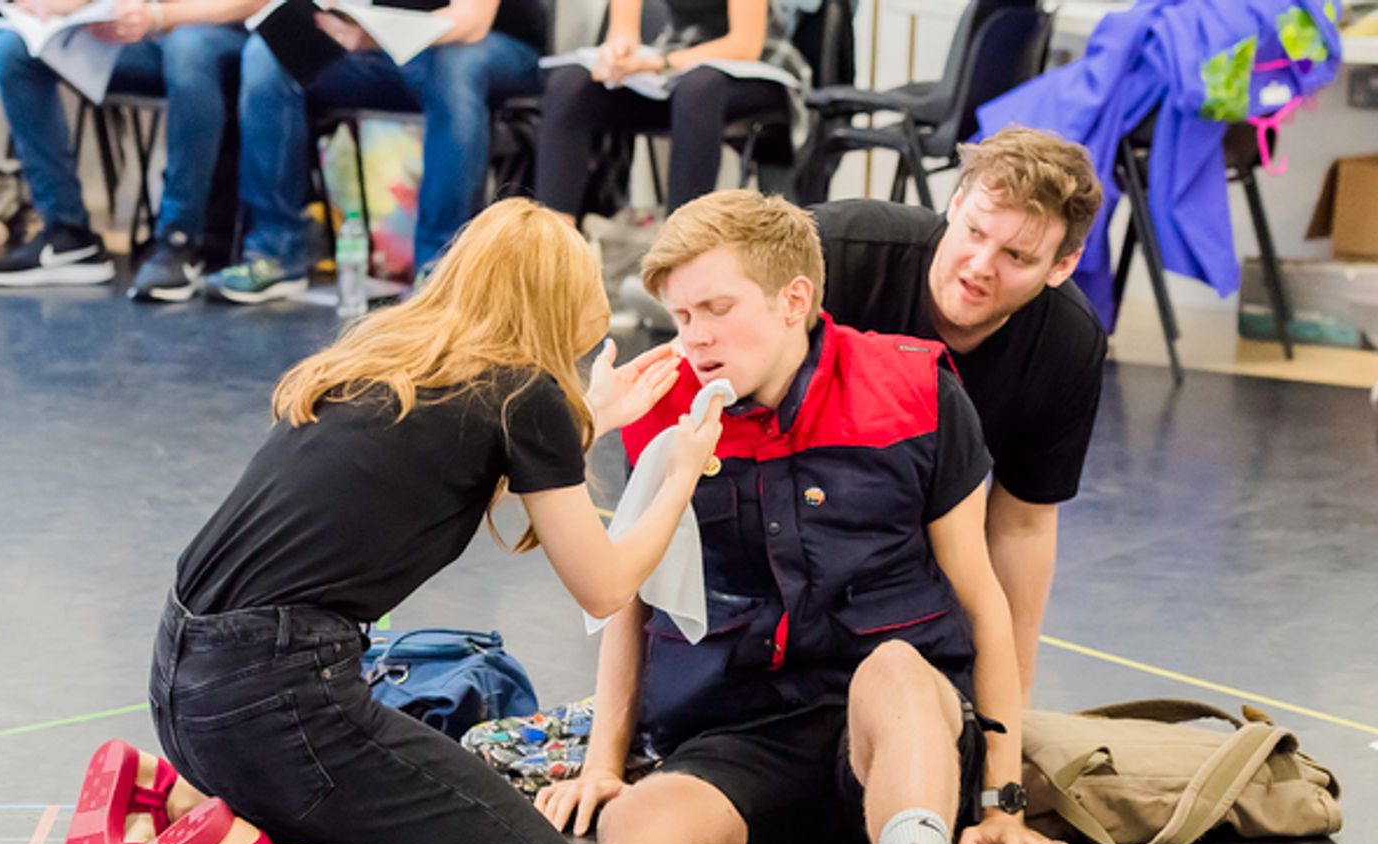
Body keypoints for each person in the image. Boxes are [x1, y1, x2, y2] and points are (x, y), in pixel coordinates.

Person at [472, 190, 1071, 844]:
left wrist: (1002, 794)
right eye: (682, 315)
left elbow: (983, 599)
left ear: (794, 300)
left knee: (899, 671)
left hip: (895, 735)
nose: (697, 336)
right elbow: (633, 602)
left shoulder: (914, 388)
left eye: (717, 308)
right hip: (743, 740)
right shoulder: (668, 409)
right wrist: (605, 764)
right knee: (641, 817)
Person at [59, 198, 724, 844]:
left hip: (190, 683)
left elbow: (459, 467)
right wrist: (678, 471)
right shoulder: (522, 395)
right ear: (564, 303)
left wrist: (586, 424)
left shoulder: (390, 355)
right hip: (277, 699)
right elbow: (604, 587)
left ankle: (169, 800)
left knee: (409, 826)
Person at [814, 126, 1106, 700]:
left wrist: (1010, 712)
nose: (979, 266)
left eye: (1017, 256)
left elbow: (1022, 525)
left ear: (1062, 266)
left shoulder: (1067, 346)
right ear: (953, 204)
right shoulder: (836, 252)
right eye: (974, 231)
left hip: (915, 548)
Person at [208, 0, 545, 303]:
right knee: (269, 53)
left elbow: (472, 22)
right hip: (390, 53)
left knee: (453, 64)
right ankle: (277, 250)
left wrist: (376, 37)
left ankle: (440, 266)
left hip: (488, 48)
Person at [0, 0, 255, 300]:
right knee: (13, 47)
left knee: (188, 47)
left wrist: (159, 16)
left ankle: (179, 239)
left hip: (218, 36)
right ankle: (67, 231)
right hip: (139, 38)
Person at [533, 0, 808, 228]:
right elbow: (623, 31)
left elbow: (745, 45)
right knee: (570, 83)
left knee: (699, 89)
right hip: (677, 55)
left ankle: (679, 251)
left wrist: (657, 64)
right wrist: (619, 53)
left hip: (759, 65)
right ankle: (555, 248)